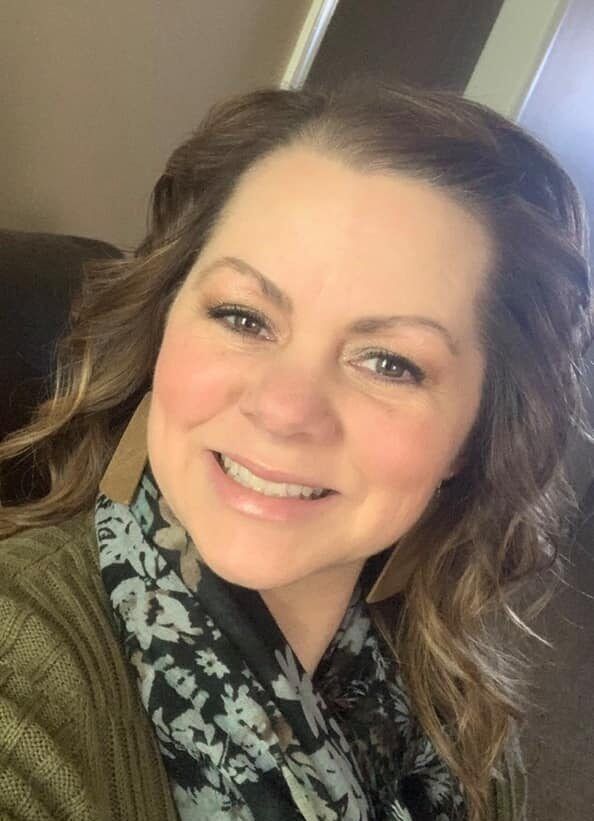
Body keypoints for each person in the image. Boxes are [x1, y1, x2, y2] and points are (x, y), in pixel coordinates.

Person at [0, 78, 592, 821]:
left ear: (474, 436)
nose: (284, 409)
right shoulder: (19, 679)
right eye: (243, 316)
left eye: (389, 361)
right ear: (161, 327)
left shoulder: (453, 712)